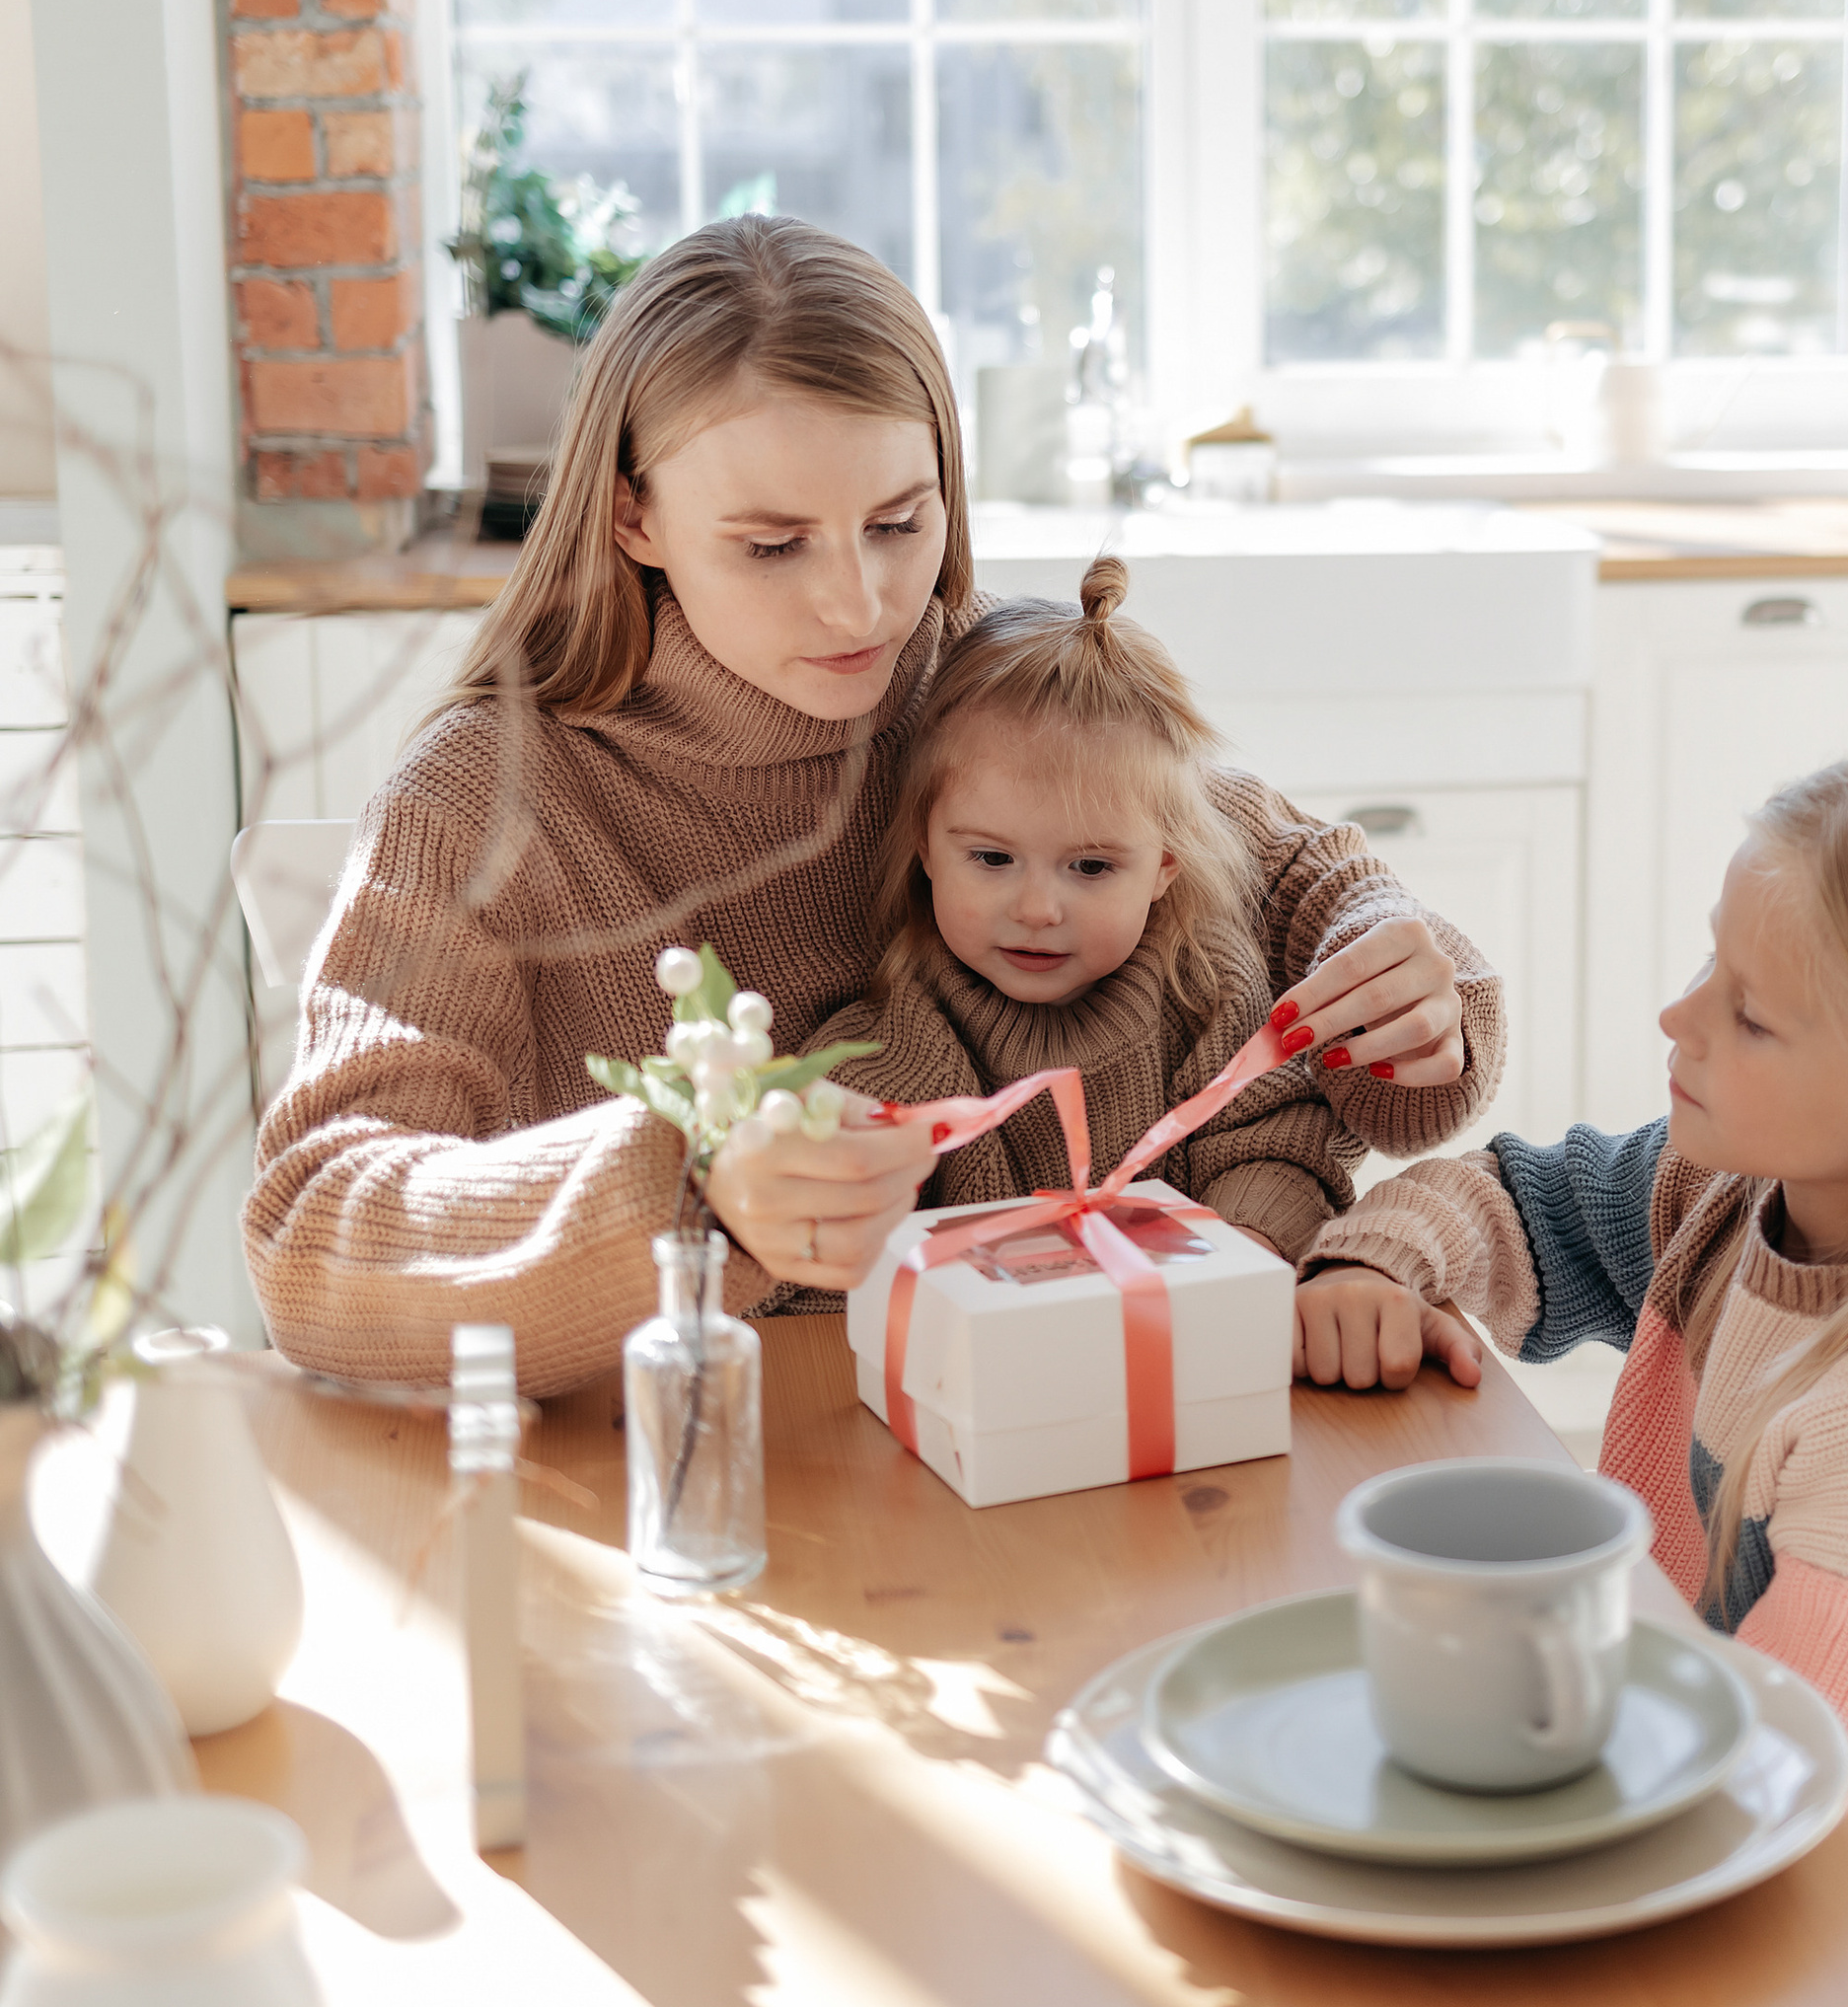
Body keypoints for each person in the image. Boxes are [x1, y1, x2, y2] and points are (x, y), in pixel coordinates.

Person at [248, 216, 1500, 1397]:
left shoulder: (969, 675)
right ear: (633, 512)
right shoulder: (483, 801)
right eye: (771, 544)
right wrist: (694, 1181)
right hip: (705, 1480)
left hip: (1039, 1437)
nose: (859, 607)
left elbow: (1280, 861)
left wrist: (1392, 960)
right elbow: (313, 1236)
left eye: (898, 522)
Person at [1291, 760, 1848, 2006]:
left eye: (1751, 1015)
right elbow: (1516, 1201)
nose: (1678, 1021)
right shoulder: (1738, 1209)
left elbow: (1785, 1886)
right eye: (1705, 971)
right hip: (1667, 1825)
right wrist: (1379, 1264)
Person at [815, 554, 1363, 1265]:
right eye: (991, 859)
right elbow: (832, 1224)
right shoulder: (907, 1031)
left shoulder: (1210, 989)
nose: (1039, 909)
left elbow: (1279, 1148)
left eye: (1092, 867)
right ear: (925, 847)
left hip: (1181, 1341)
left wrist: (1240, 1254)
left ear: (1165, 866)